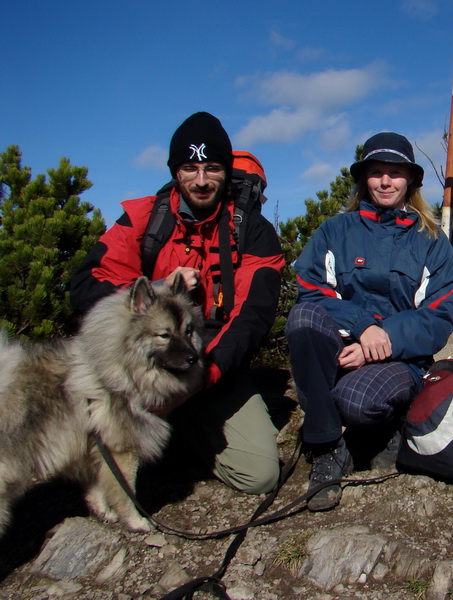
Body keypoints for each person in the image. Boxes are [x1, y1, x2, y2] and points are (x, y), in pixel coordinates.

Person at [70, 111, 286, 495]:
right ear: (175, 171)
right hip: (140, 370)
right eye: (190, 168)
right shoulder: (143, 219)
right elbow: (86, 286)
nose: (201, 181)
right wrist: (155, 291)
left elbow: (249, 321)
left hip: (208, 371)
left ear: (226, 170)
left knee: (261, 475)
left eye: (212, 168)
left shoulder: (253, 231)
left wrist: (197, 381)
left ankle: (183, 428)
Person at [286, 132, 453, 511]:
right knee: (303, 318)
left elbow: (438, 317)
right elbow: (310, 289)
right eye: (377, 172)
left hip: (402, 360)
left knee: (353, 402)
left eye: (396, 173)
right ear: (363, 178)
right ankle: (326, 448)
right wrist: (362, 326)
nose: (386, 182)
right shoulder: (334, 231)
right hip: (341, 348)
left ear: (411, 180)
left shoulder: (432, 241)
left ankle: (392, 426)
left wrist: (380, 341)